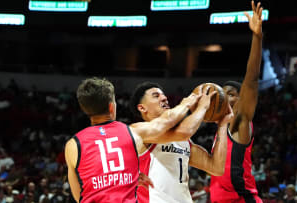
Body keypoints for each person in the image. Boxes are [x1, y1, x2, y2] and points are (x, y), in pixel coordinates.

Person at [65, 77, 207, 202]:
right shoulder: (131, 132)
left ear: (85, 109)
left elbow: (79, 195)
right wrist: (187, 103)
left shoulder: (72, 145)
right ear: (111, 106)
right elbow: (167, 121)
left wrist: (126, 178)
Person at [130, 82, 233, 203]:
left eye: (163, 95)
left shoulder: (184, 141)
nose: (164, 98)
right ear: (142, 108)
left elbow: (216, 168)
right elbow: (186, 131)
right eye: (156, 96)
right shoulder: (139, 131)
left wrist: (223, 125)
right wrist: (202, 107)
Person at [209, 1, 264, 202]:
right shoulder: (220, 130)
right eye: (223, 94)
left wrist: (257, 37)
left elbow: (251, 79)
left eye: (231, 94)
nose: (226, 97)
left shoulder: (239, 121)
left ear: (240, 99)